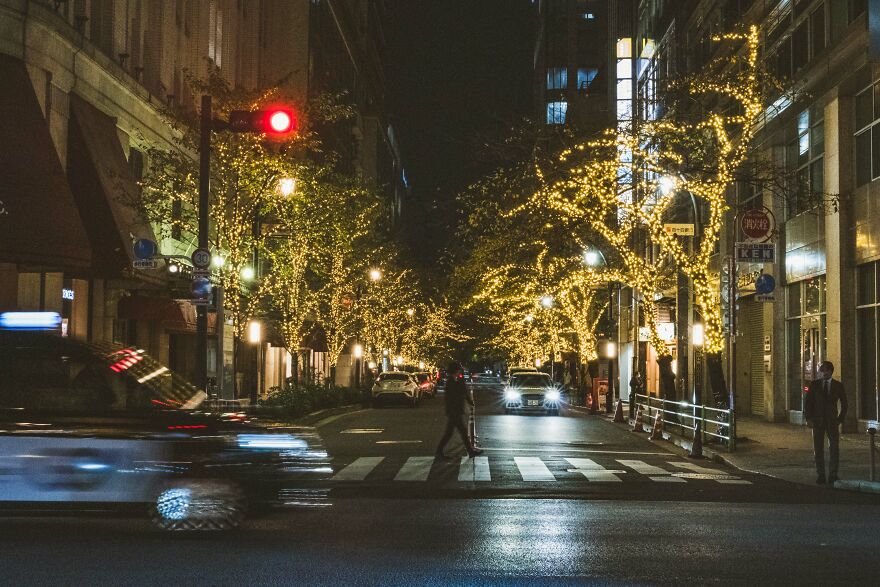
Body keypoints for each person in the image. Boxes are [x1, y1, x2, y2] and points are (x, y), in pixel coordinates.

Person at [804, 361, 848, 485]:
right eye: (822, 370)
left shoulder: (838, 385)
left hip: (832, 421)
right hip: (817, 421)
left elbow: (845, 404)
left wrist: (840, 419)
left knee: (834, 448)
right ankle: (821, 474)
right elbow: (808, 403)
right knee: (818, 448)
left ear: (831, 371)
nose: (824, 373)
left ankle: (833, 475)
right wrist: (808, 418)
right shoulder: (814, 385)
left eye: (826, 370)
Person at [436, 361, 482, 459]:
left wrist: (468, 399)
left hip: (454, 411)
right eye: (459, 370)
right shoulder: (451, 382)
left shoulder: (454, 381)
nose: (460, 372)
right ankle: (470, 451)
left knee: (454, 433)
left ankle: (469, 451)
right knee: (459, 432)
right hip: (454, 411)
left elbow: (461, 392)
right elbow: (454, 396)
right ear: (455, 370)